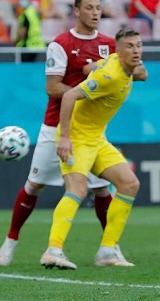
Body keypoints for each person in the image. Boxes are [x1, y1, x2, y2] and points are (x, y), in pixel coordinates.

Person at [0, 0, 138, 267]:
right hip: (56, 127)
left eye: (98, 8)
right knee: (35, 184)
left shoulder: (110, 45)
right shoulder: (61, 44)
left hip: (91, 130)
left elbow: (133, 70)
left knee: (101, 190)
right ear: (76, 11)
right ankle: (12, 238)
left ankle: (110, 249)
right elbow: (52, 88)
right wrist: (88, 90)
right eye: (89, 8)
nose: (95, 13)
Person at [42, 26, 147, 269]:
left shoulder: (118, 64)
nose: (136, 50)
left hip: (96, 138)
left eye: (139, 45)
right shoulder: (109, 76)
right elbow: (68, 97)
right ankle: (52, 250)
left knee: (129, 184)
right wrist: (65, 137)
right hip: (77, 137)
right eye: (130, 47)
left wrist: (95, 67)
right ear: (118, 51)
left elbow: (92, 68)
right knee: (77, 190)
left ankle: (107, 251)